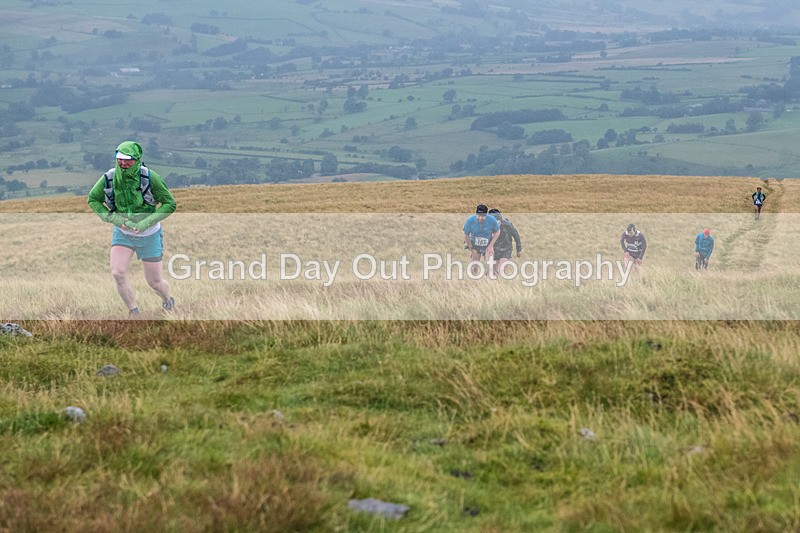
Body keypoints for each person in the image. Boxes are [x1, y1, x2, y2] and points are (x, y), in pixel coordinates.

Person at [88, 141, 177, 316]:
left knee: (155, 283)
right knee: (118, 273)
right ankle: (133, 312)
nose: (123, 163)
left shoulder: (150, 178)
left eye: (128, 159)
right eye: (119, 159)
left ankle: (168, 300)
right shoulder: (109, 177)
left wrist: (145, 223)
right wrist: (115, 219)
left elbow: (170, 204)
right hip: (123, 233)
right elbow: (93, 199)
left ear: (136, 159)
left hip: (150, 234)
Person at [463, 204, 500, 276]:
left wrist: (491, 245)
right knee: (474, 266)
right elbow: (466, 235)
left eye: (483, 216)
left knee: (490, 265)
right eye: (478, 216)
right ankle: (474, 279)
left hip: (488, 245)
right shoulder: (470, 220)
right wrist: (471, 248)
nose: (480, 218)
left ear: (486, 215)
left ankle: (489, 279)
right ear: (476, 214)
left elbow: (497, 232)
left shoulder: (492, 220)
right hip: (475, 245)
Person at [488, 208, 522, 274]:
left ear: (500, 221)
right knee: (495, 270)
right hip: (495, 248)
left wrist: (519, 249)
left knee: (502, 268)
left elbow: (516, 236)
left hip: (506, 248)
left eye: (497, 222)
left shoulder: (507, 225)